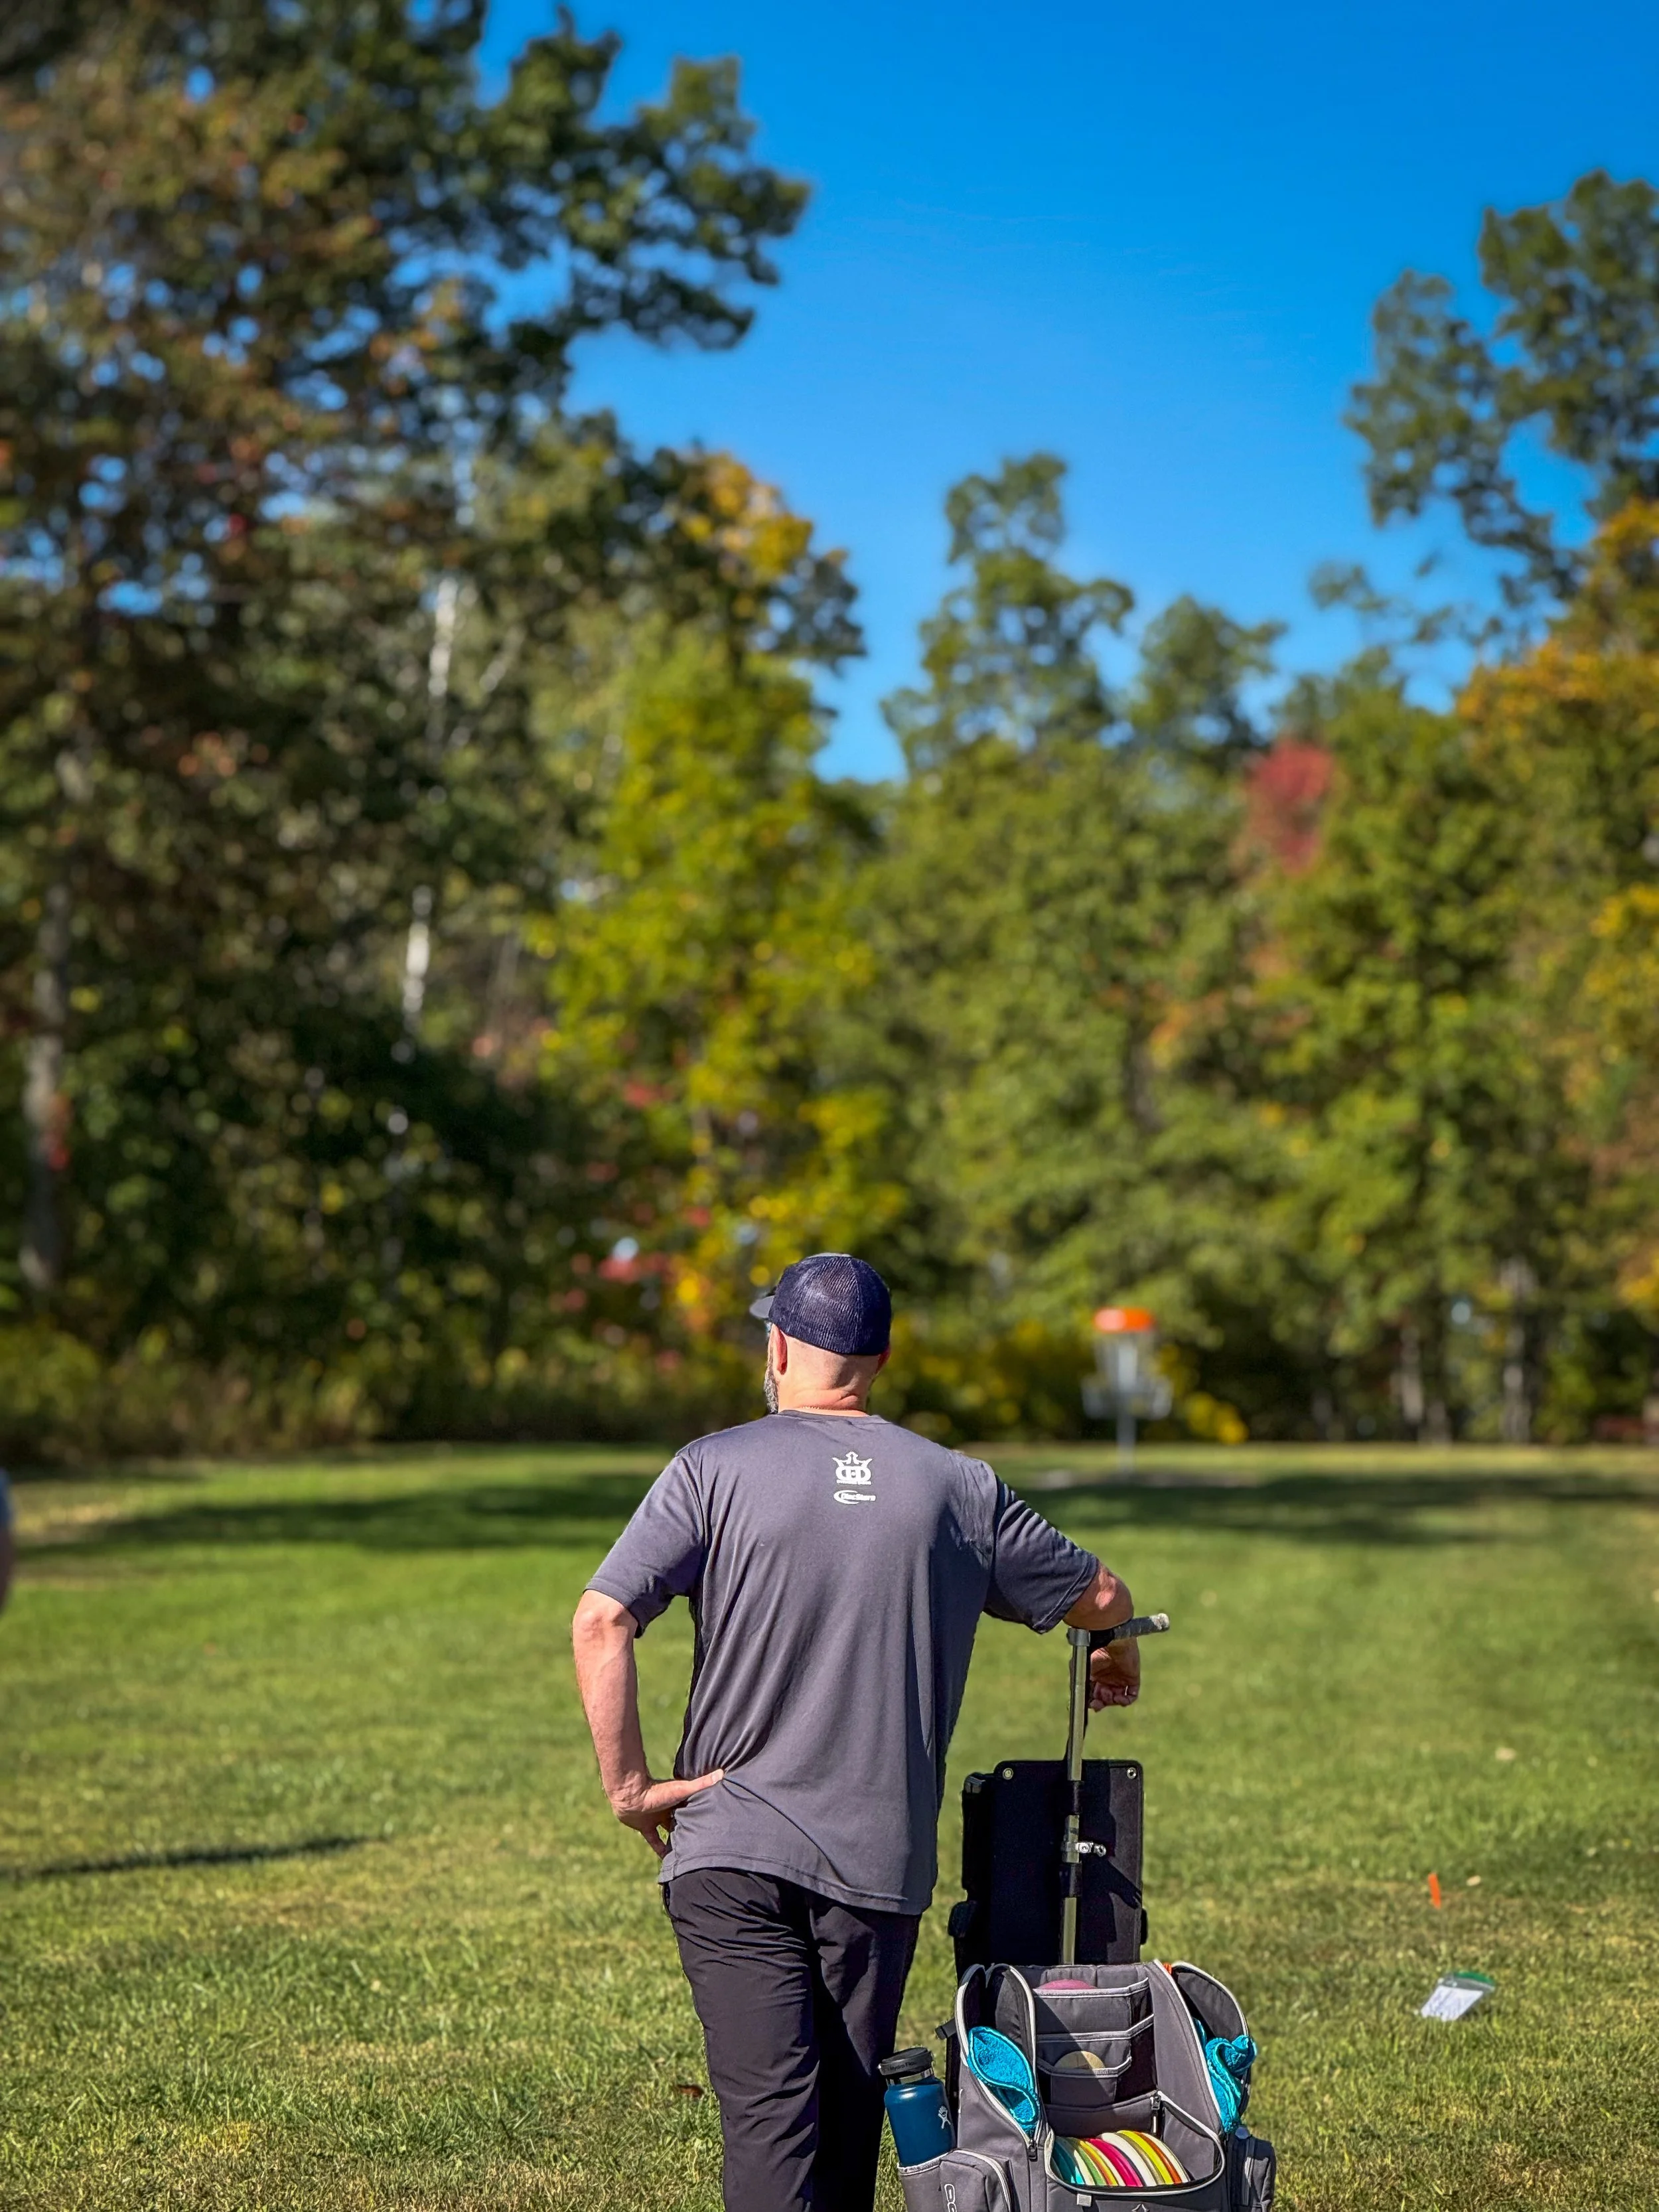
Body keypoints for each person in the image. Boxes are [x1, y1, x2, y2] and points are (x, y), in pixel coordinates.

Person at [571, 1252, 1140, 2212]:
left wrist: (630, 1791)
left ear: (779, 1346)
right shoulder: (959, 1487)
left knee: (774, 2128)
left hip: (730, 1846)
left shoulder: (710, 1468)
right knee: (841, 2136)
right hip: (878, 1866)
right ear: (876, 1359)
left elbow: (601, 1620)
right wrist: (1116, 1646)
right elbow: (1103, 1594)